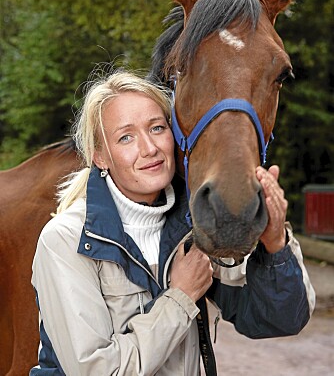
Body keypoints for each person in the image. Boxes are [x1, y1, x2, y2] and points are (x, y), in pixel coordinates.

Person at [30, 69, 315, 376]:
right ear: (101, 156)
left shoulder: (193, 228)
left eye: (157, 128)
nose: (149, 148)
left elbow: (280, 319)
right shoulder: (66, 239)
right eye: (126, 137)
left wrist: (275, 245)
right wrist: (180, 297)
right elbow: (98, 370)